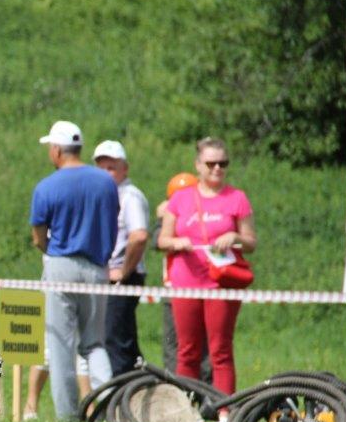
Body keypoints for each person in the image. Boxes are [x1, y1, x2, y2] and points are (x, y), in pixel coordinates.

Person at [30, 121, 119, 422]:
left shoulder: (47, 186)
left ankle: (68, 418)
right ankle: (107, 407)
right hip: (97, 268)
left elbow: (39, 236)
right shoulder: (106, 182)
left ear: (56, 150)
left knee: (60, 345)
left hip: (61, 267)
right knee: (94, 344)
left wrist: (49, 252)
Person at [158, 137, 256, 400]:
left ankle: (225, 410)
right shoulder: (180, 199)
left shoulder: (237, 198)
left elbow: (250, 242)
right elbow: (162, 240)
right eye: (211, 163)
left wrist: (234, 238)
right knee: (187, 351)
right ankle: (188, 411)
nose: (217, 169)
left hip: (220, 283)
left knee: (220, 350)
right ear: (198, 165)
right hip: (186, 282)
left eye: (223, 163)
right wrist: (178, 242)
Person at [93, 140, 149, 376]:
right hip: (109, 275)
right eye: (101, 167)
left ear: (124, 169)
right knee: (118, 338)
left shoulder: (130, 196)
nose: (105, 173)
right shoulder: (105, 194)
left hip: (123, 276)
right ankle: (138, 387)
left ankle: (124, 394)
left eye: (111, 168)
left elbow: (139, 236)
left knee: (116, 341)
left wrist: (123, 271)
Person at [155, 172, 211, 381]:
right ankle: (175, 388)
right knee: (174, 346)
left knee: (203, 347)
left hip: (201, 286)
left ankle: (205, 391)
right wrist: (163, 221)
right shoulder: (170, 219)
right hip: (174, 288)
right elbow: (155, 241)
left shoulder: (201, 219)